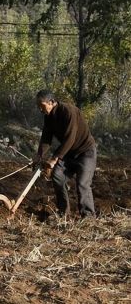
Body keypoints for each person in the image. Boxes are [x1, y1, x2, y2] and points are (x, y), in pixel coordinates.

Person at [33, 89, 97, 219]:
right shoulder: (48, 117)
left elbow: (70, 138)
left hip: (85, 152)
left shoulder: (69, 111)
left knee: (82, 183)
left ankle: (88, 216)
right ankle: (63, 213)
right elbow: (46, 138)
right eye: (38, 107)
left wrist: (54, 159)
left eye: (42, 106)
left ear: (51, 102)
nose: (40, 110)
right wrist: (39, 156)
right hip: (68, 153)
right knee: (57, 177)